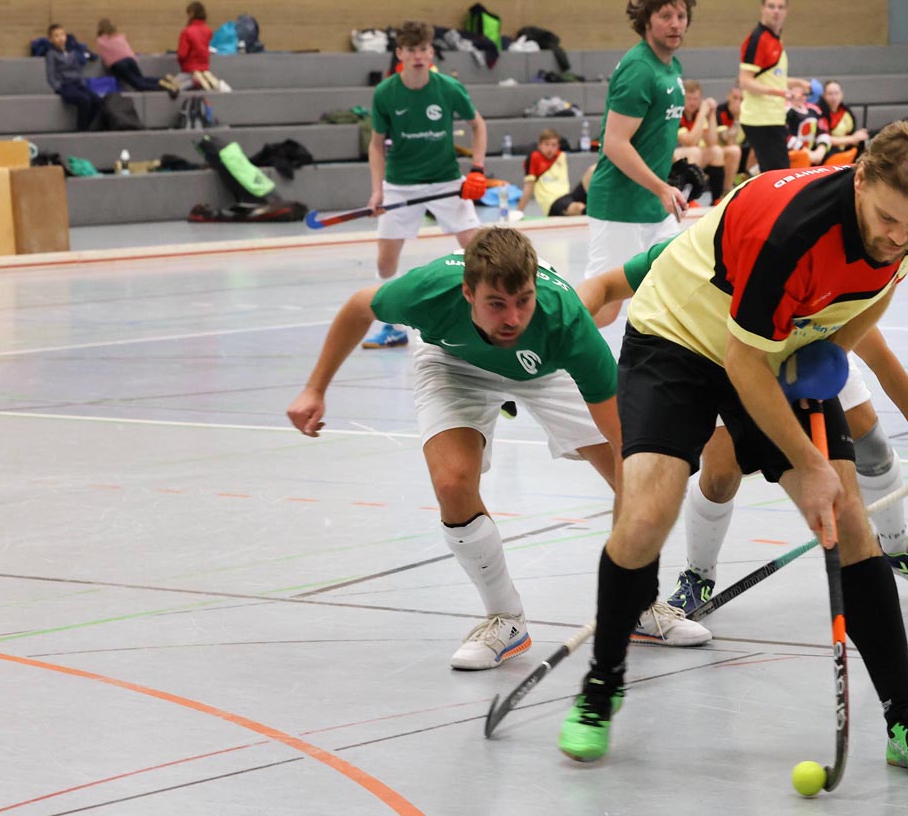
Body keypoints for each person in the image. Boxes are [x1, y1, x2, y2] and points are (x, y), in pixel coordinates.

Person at [557, 120, 908, 782]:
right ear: (859, 178)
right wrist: (808, 468)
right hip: (681, 338)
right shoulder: (796, 232)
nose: (898, 235)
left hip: (777, 345)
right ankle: (602, 683)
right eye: (887, 218)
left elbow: (877, 290)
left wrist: (829, 351)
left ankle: (905, 715)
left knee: (854, 527)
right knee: (643, 518)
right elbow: (739, 361)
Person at [286, 226, 708, 669]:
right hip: (455, 363)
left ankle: (640, 608)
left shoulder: (565, 322)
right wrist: (314, 389)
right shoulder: (427, 291)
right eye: (496, 304)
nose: (512, 318)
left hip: (547, 368)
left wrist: (629, 577)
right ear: (468, 293)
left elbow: (630, 453)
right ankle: (505, 619)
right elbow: (359, 307)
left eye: (523, 300)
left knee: (628, 471)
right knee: (452, 483)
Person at [575, 246, 908, 609]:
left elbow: (881, 358)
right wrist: (565, 332)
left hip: (808, 353)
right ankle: (699, 574)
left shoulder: (821, 274)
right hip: (718, 357)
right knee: (722, 474)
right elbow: (608, 284)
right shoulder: (692, 252)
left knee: (872, 445)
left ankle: (897, 547)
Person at [361, 20, 489, 350]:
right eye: (411, 50)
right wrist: (377, 190)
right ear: (400, 53)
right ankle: (393, 329)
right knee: (385, 262)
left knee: (478, 251)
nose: (418, 56)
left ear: (431, 52)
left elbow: (478, 126)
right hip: (401, 184)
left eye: (423, 50)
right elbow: (376, 145)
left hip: (446, 180)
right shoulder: (385, 93)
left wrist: (476, 169)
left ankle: (478, 320)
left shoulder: (447, 87)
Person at [584, 0, 696, 328]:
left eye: (681, 16)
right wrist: (661, 186)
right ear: (647, 20)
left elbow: (652, 135)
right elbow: (615, 144)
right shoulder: (639, 68)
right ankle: (539, 351)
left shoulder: (671, 68)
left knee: (679, 282)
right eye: (665, 16)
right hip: (620, 206)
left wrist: (670, 172)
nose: (675, 24)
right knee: (603, 305)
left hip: (652, 207)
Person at [738, 0, 809, 172]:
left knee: (774, 173)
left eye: (780, 7)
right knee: (778, 174)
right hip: (761, 119)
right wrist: (782, 93)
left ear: (786, 11)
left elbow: (772, 78)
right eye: (771, 6)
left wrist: (797, 83)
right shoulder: (757, 39)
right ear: (763, 8)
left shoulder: (776, 39)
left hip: (773, 117)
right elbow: (745, 81)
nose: (776, 11)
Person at [672, 79, 738, 203]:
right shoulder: (677, 113)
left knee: (717, 151)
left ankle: (720, 197)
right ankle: (687, 198)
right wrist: (702, 114)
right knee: (694, 151)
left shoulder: (699, 113)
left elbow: (712, 141)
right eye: (689, 99)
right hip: (675, 159)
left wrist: (711, 114)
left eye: (696, 99)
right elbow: (689, 141)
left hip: (696, 157)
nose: (692, 103)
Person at [515, 128, 595, 217]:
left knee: (594, 169)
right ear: (539, 145)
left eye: (553, 145)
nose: (550, 148)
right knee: (578, 207)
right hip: (553, 204)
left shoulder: (561, 156)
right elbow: (528, 187)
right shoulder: (534, 158)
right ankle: (595, 211)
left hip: (569, 197)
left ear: (558, 146)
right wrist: (519, 212)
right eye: (546, 144)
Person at [43, 24, 102, 132]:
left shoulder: (72, 52)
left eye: (62, 35)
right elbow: (50, 75)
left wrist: (82, 83)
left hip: (77, 83)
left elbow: (77, 69)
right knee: (84, 100)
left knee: (97, 101)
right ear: (51, 39)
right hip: (65, 86)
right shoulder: (51, 54)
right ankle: (81, 129)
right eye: (56, 36)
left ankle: (86, 125)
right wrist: (58, 88)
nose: (60, 38)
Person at [94, 18, 173, 94]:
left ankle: (164, 87)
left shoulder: (100, 41)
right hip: (130, 60)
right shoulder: (120, 36)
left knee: (139, 85)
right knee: (142, 79)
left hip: (119, 64)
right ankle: (163, 79)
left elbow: (105, 58)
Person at [816, 79, 869, 164]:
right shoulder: (818, 112)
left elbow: (851, 132)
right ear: (824, 95)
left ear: (841, 94)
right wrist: (852, 139)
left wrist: (858, 137)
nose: (834, 97)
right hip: (829, 152)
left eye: (837, 93)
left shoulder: (846, 112)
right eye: (830, 94)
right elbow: (823, 138)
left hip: (845, 150)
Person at [785, 80, 830, 168]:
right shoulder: (785, 110)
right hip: (791, 157)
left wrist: (821, 150)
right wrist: (806, 152)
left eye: (803, 93)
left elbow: (823, 131)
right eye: (796, 92)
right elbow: (784, 135)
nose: (800, 96)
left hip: (813, 156)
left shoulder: (815, 110)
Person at [177, 1, 217, 91]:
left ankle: (194, 82)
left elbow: (182, 54)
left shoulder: (187, 32)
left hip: (189, 70)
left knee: (173, 87)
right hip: (205, 70)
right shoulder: (208, 30)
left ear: (191, 14)